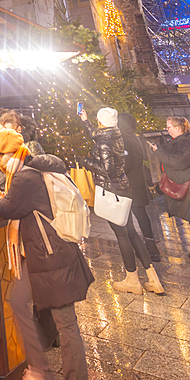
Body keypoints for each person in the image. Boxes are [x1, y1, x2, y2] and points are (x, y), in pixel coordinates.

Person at [0, 128, 94, 380]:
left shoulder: (23, 177)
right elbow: (20, 203)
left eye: (0, 154)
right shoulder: (31, 169)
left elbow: (9, 208)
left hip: (53, 259)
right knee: (19, 301)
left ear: (12, 153)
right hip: (46, 258)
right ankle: (41, 373)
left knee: (67, 326)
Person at [79, 107, 164, 295]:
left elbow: (107, 169)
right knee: (131, 232)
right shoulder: (117, 135)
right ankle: (153, 279)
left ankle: (132, 280)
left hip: (112, 191)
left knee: (122, 234)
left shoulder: (104, 141)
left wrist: (85, 162)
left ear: (101, 122)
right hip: (124, 187)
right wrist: (86, 122)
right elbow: (99, 137)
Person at [149, 117, 190, 261]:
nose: (167, 129)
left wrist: (158, 152)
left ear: (177, 128)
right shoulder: (179, 141)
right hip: (187, 185)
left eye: (169, 127)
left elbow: (177, 162)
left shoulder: (188, 144)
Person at [117, 113, 160, 262]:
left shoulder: (124, 140)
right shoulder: (135, 137)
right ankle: (151, 246)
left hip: (130, 186)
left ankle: (146, 250)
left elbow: (126, 164)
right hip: (139, 183)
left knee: (132, 217)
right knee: (142, 216)